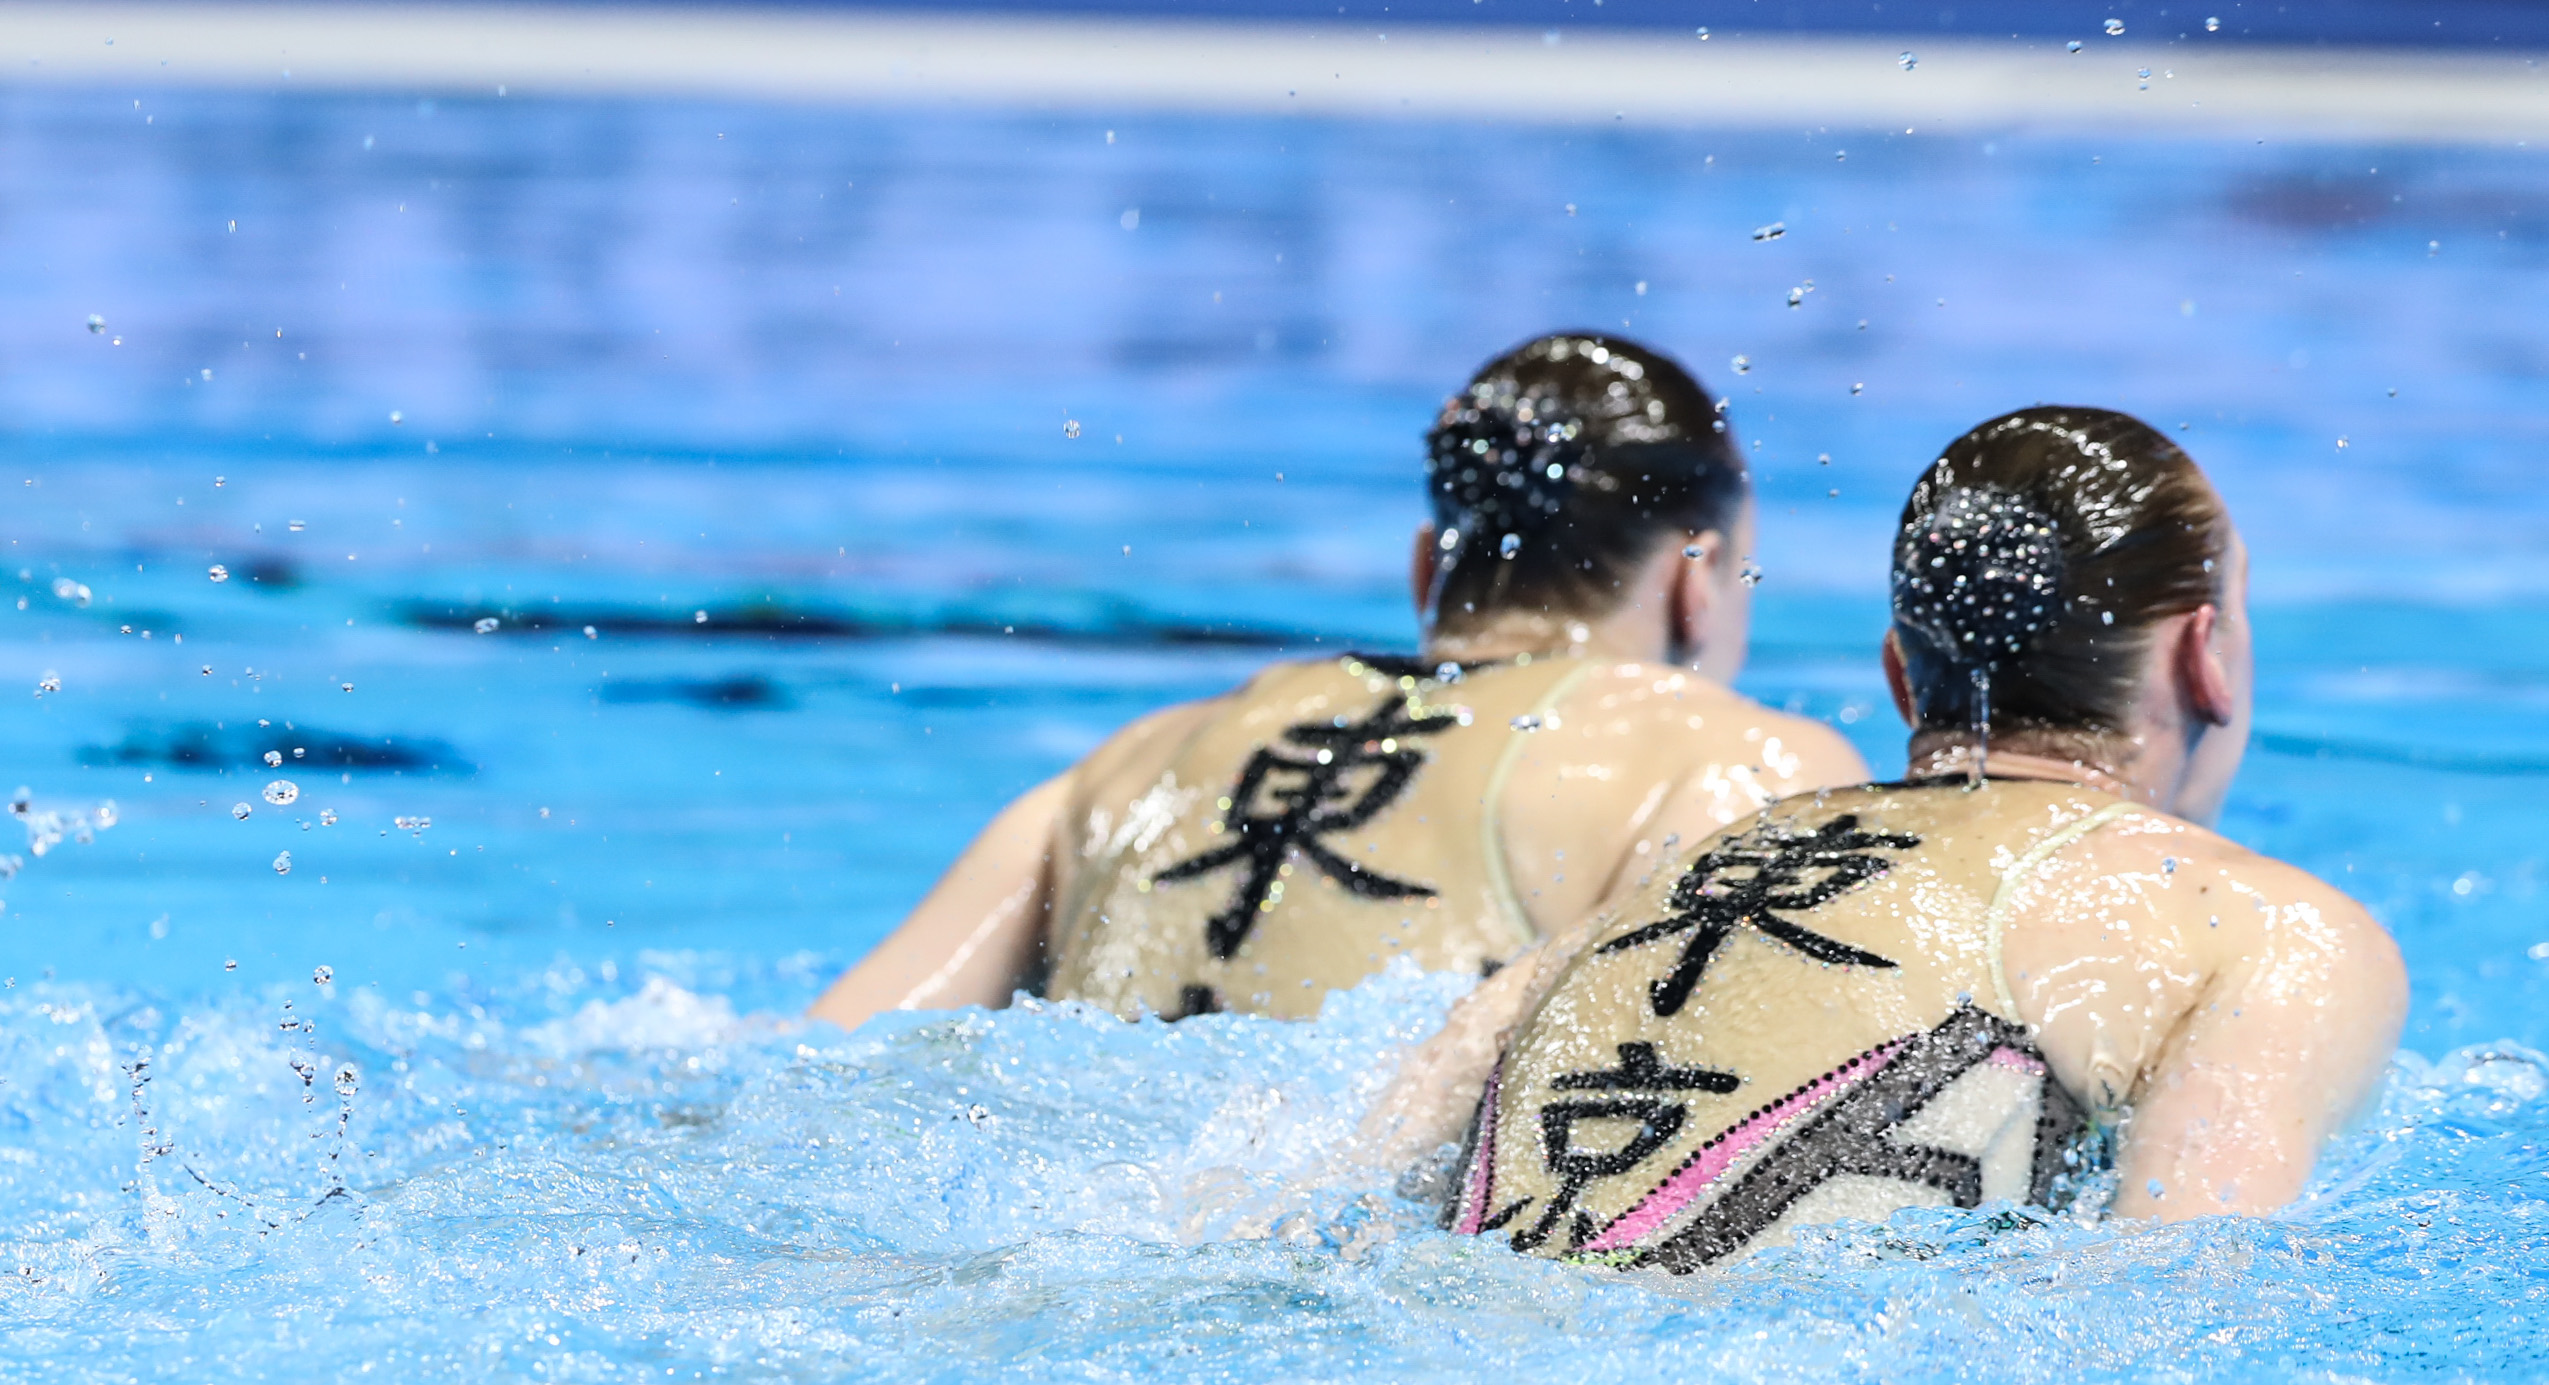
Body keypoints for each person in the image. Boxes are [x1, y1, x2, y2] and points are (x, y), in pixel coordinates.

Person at [1352, 405, 2404, 1268]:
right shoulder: (2270, 931)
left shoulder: (1691, 877)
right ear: (2203, 656)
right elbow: (2181, 1298)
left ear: (1902, 678)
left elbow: (1348, 1188)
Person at [809, 332, 1868, 1029]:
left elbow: (824, 1062)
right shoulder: (1727, 761)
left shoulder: (1127, 767)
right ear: (1693, 585)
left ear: (1426, 570)